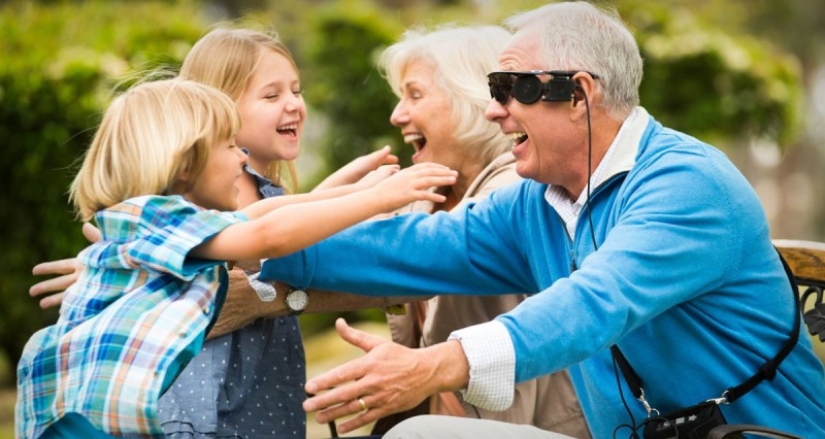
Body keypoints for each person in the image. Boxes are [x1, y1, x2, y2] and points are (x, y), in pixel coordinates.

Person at [257, 2, 825, 438]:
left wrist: (436, 365)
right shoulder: (539, 200)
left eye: (509, 88)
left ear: (578, 94)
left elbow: (594, 302)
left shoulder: (689, 185)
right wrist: (238, 242)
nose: (491, 109)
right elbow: (410, 246)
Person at [15, 78, 457, 438]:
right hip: (85, 421)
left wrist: (360, 191)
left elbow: (263, 213)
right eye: (229, 146)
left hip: (97, 412)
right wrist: (378, 200)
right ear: (185, 164)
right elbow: (266, 235)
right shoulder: (156, 216)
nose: (241, 156)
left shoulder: (164, 216)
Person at [370, 25, 588, 437]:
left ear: (470, 99)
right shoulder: (426, 194)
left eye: (415, 95)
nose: (397, 115)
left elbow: (411, 255)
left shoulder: (518, 192)